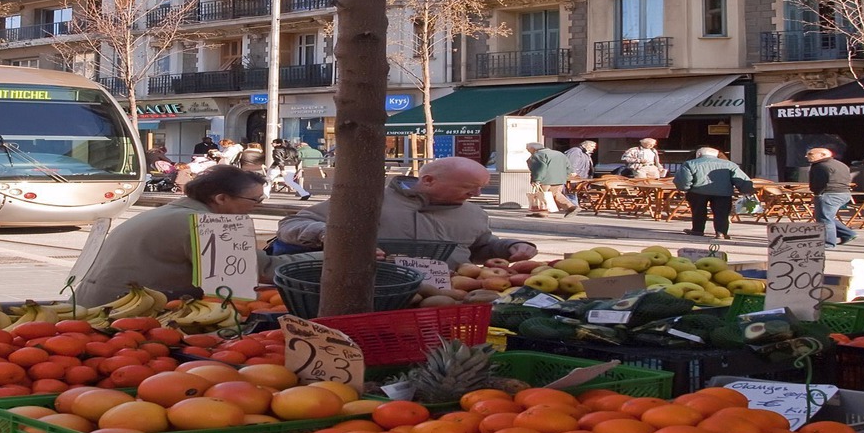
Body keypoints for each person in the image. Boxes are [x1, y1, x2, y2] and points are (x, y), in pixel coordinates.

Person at [274, 156, 538, 268]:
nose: (477, 195)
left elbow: (480, 248)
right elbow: (292, 224)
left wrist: (511, 247)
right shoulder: (368, 201)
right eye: (469, 187)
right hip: (376, 294)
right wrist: (325, 234)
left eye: (481, 188)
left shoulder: (474, 214)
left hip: (446, 299)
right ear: (429, 181)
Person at [75, 166, 278, 304]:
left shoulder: (169, 212)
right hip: (124, 315)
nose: (257, 206)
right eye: (255, 200)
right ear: (221, 198)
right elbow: (261, 270)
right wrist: (310, 260)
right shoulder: (208, 223)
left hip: (93, 304)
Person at [673, 147, 754, 241]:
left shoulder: (690, 164)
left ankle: (697, 230)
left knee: (698, 211)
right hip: (723, 192)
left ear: (699, 154)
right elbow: (742, 179)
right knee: (722, 213)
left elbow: (684, 180)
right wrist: (746, 190)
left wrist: (685, 189)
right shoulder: (730, 165)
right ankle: (721, 233)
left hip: (697, 191)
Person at [807, 147, 858, 248]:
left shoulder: (820, 166)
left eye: (811, 154)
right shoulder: (841, 164)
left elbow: (819, 182)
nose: (807, 156)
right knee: (825, 217)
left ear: (823, 155)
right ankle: (847, 234)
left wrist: (817, 194)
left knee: (825, 219)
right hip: (844, 193)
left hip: (829, 193)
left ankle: (829, 243)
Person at [526, 143, 577, 217]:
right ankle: (570, 207)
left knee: (542, 195)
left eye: (528, 149)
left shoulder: (538, 155)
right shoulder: (559, 154)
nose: (528, 151)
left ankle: (542, 212)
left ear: (533, 148)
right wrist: (569, 174)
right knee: (555, 194)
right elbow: (568, 166)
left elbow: (539, 168)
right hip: (560, 178)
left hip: (545, 179)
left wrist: (536, 180)